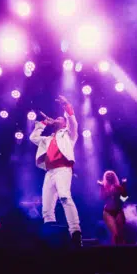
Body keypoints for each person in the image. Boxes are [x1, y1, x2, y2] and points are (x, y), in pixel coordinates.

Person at [29, 95, 82, 247]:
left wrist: (67, 106)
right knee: (46, 207)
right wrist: (45, 122)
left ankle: (75, 232)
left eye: (61, 118)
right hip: (49, 172)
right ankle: (50, 235)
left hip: (63, 169)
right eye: (57, 117)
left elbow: (73, 121)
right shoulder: (48, 139)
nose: (58, 118)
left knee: (65, 197)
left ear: (64, 122)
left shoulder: (69, 134)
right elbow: (33, 137)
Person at [97, 170, 127, 245]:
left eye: (111, 174)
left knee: (120, 234)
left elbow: (124, 199)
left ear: (114, 177)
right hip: (108, 212)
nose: (109, 175)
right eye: (107, 174)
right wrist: (101, 187)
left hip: (118, 211)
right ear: (105, 177)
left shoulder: (118, 187)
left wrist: (123, 187)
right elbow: (101, 198)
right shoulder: (104, 187)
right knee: (115, 233)